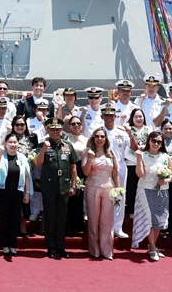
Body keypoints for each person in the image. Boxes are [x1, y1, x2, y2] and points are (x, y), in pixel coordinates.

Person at [35, 117, 79, 259]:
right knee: (50, 217)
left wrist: (74, 185)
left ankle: (61, 246)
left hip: (64, 186)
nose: (55, 132)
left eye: (58, 129)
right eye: (52, 129)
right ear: (47, 130)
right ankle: (50, 246)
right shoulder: (43, 144)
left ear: (61, 130)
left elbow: (73, 167)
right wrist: (44, 149)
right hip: (49, 186)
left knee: (62, 217)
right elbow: (38, 163)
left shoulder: (67, 145)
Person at [132, 131, 172, 261]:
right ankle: (152, 246)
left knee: (158, 220)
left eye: (159, 142)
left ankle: (153, 246)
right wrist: (139, 159)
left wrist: (166, 180)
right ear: (149, 141)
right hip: (146, 190)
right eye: (154, 141)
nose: (156, 144)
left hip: (162, 191)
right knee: (150, 219)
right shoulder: (143, 155)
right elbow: (139, 174)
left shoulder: (165, 156)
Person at [0, 133, 31, 257]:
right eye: (10, 142)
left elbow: (27, 176)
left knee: (14, 219)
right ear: (5, 144)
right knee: (4, 219)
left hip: (17, 192)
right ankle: (4, 245)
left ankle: (13, 245)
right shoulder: (0, 155)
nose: (13, 145)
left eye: (15, 142)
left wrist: (27, 192)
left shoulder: (22, 157)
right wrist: (0, 153)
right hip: (3, 192)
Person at [82, 127, 120, 259]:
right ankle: (94, 250)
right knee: (93, 220)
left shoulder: (110, 153)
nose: (99, 139)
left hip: (108, 189)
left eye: (102, 136)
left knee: (107, 221)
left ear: (106, 139)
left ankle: (107, 250)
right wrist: (90, 160)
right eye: (97, 136)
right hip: (93, 187)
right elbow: (85, 172)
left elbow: (115, 173)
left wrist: (118, 190)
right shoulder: (87, 152)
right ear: (93, 138)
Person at [100, 104, 135, 239]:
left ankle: (118, 227)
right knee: (104, 197)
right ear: (102, 116)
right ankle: (104, 226)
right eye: (106, 115)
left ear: (115, 116)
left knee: (120, 196)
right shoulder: (99, 132)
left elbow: (132, 147)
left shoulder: (122, 132)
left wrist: (130, 134)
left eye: (111, 115)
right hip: (103, 169)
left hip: (120, 167)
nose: (109, 117)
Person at [9, 114, 37, 236]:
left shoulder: (32, 138)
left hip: (26, 174)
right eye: (17, 124)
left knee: (24, 202)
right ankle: (13, 228)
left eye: (22, 124)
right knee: (13, 201)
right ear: (13, 126)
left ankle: (23, 227)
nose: (20, 127)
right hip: (12, 173)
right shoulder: (10, 138)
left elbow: (36, 153)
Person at [124, 108, 151, 219]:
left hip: (145, 163)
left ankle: (144, 211)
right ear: (132, 118)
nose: (139, 119)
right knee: (131, 189)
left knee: (144, 188)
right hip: (131, 163)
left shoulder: (149, 129)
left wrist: (144, 148)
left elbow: (152, 144)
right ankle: (131, 212)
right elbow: (127, 147)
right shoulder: (128, 129)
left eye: (140, 116)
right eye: (136, 117)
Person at [65, 115, 87, 237]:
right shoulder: (66, 138)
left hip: (81, 169)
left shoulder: (86, 140)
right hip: (68, 168)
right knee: (69, 198)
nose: (76, 125)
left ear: (82, 126)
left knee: (79, 199)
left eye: (78, 123)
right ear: (69, 126)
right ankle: (68, 227)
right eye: (73, 124)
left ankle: (78, 227)